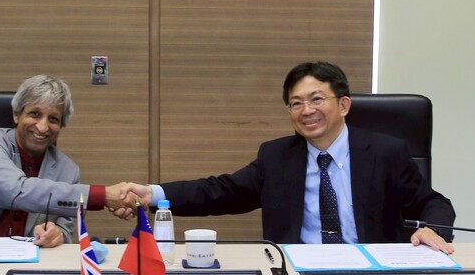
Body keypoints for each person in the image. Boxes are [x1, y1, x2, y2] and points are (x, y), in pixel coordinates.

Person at [120, 61, 456, 252]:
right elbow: (220, 190)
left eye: (317, 99)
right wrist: (152, 194)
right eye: (296, 103)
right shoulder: (277, 157)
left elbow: (435, 202)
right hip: (296, 272)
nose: (306, 110)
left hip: (371, 272)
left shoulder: (385, 153)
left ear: (343, 105)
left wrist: (431, 230)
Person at [0, 74, 131, 247]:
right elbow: (14, 190)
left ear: (61, 125)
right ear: (17, 114)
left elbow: (65, 231)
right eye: (35, 114)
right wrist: (103, 196)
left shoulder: (68, 170)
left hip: (31, 261)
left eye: (53, 119)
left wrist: (56, 235)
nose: (42, 127)